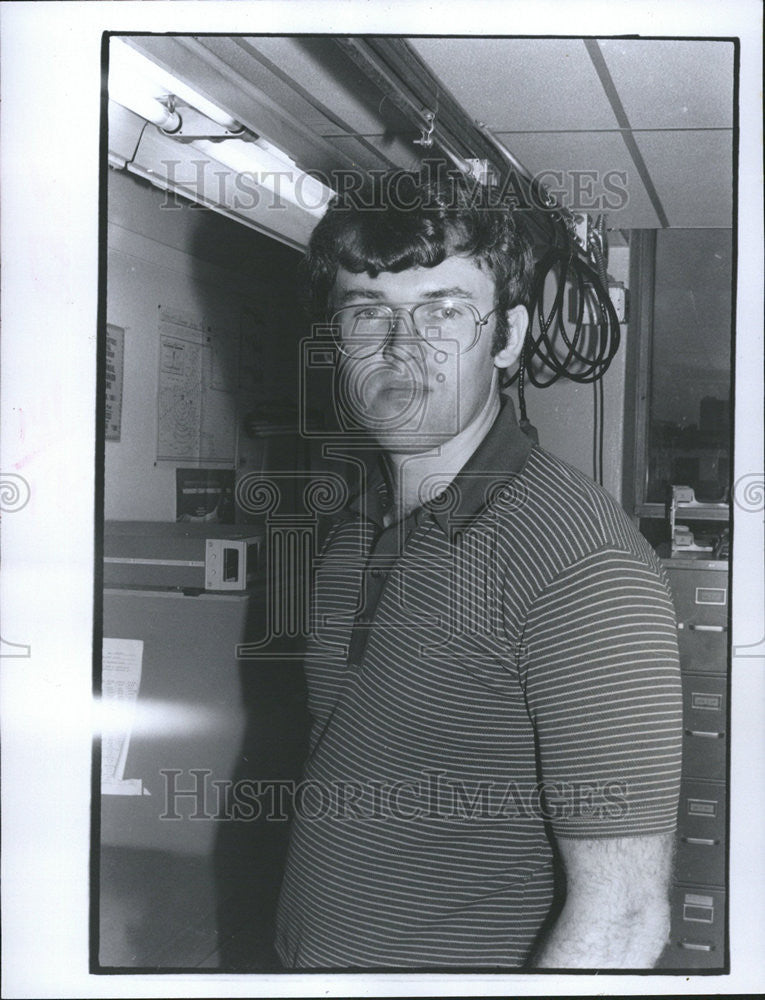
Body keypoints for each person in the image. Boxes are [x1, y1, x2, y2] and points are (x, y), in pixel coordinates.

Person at [273, 168, 683, 969]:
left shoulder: (579, 563)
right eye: (367, 314)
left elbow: (625, 919)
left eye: (445, 312)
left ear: (509, 337)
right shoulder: (352, 525)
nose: (402, 350)